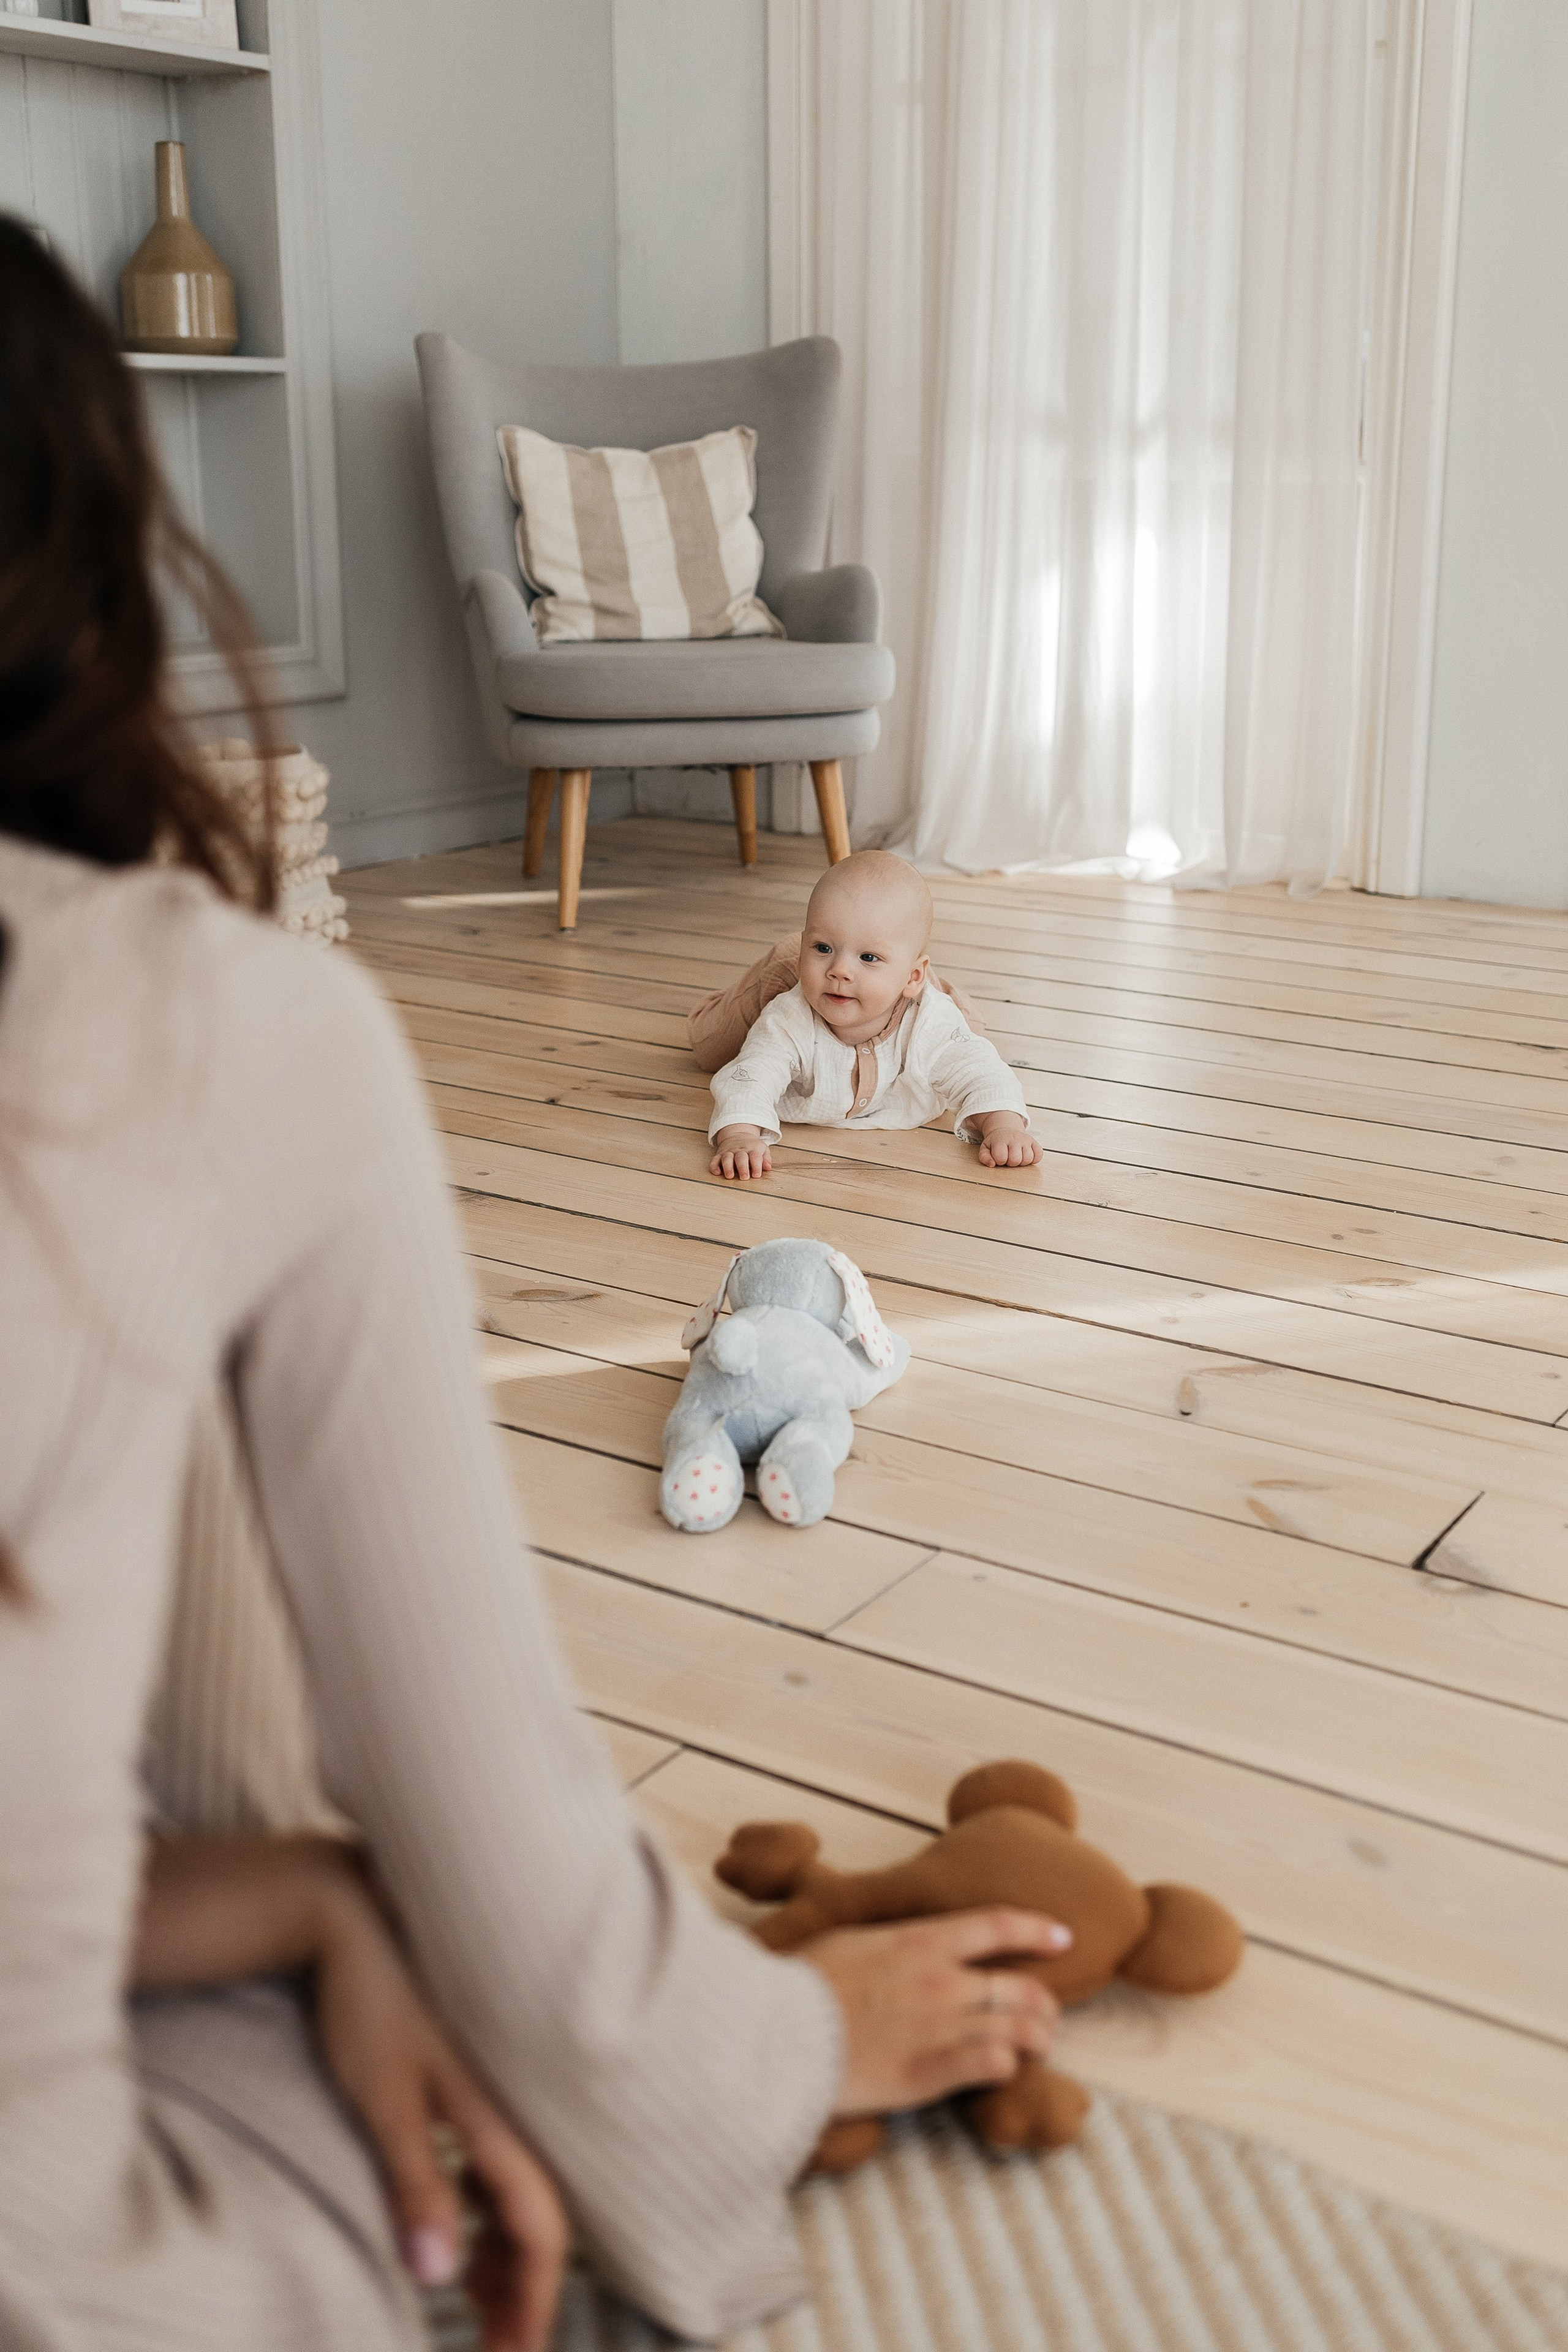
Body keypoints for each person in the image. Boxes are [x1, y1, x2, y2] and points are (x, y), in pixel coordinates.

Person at [0, 216, 1070, 2350]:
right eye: (829, 956)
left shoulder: (934, 1022)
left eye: (873, 961)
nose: (850, 977)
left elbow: (972, 1071)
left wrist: (300, 1890)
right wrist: (746, 2055)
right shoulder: (221, 1030)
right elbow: (472, 1784)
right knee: (393, 2141)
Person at [706, 851, 1046, 1181]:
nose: (840, 970)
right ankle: (797, 957)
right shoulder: (790, 1017)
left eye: (868, 957)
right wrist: (738, 1135)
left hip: (915, 997)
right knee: (711, 1045)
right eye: (823, 948)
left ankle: (919, 981)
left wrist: (1004, 1127)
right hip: (787, 973)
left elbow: (979, 1071)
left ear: (915, 977)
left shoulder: (931, 1019)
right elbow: (752, 1074)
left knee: (967, 1030)